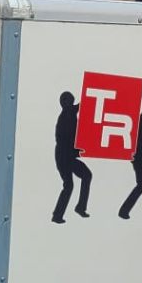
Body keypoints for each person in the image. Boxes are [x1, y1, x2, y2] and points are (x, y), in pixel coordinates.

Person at [51, 91, 90, 223]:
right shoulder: (66, 116)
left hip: (68, 155)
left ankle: (79, 207)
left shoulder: (70, 112)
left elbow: (81, 106)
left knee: (85, 176)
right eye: (68, 100)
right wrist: (77, 152)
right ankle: (57, 215)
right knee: (69, 185)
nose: (71, 102)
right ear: (64, 103)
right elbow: (65, 142)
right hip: (64, 156)